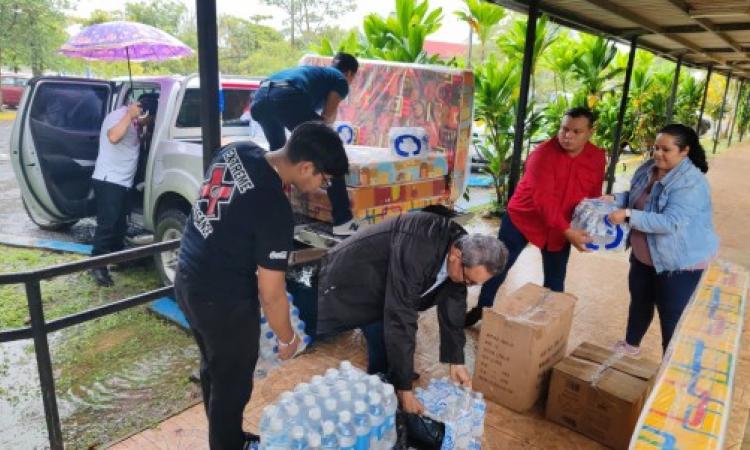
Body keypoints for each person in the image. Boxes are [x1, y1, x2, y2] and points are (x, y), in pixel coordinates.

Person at [175, 122, 349, 450]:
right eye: (323, 180)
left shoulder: (237, 150)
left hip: (187, 278)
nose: (320, 187)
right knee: (234, 388)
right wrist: (288, 338)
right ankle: (226, 442)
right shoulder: (273, 207)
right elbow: (271, 294)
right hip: (222, 302)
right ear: (306, 166)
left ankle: (230, 438)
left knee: (215, 367)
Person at [316, 210, 508, 414]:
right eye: (469, 280)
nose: (468, 286)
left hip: (388, 282)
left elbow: (454, 307)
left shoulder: (462, 247)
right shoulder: (419, 249)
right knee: (382, 335)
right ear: (456, 256)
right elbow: (401, 316)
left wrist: (456, 361)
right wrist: (405, 389)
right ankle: (379, 395)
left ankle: (395, 376)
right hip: (358, 279)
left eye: (475, 284)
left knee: (393, 342)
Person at [465, 107, 606, 327]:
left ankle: (546, 329)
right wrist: (569, 232)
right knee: (499, 267)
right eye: (564, 129)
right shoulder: (541, 155)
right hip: (523, 219)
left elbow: (593, 195)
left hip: (558, 227)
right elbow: (544, 202)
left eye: (576, 132)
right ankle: (481, 308)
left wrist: (592, 222)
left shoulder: (597, 157)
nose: (567, 136)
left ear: (590, 132)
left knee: (555, 281)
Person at [607, 124, 718, 356]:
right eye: (656, 148)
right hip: (643, 257)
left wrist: (627, 215)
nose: (658, 154)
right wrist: (615, 199)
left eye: (666, 150)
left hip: (677, 263)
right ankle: (630, 346)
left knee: (671, 315)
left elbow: (670, 222)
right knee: (639, 302)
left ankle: (670, 364)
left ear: (684, 151)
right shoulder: (649, 168)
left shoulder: (691, 183)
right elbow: (636, 198)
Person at [250, 52, 359, 236]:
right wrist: (329, 144)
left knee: (279, 157)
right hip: (285, 94)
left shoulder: (318, 73)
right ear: (350, 74)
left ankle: (274, 216)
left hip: (260, 97)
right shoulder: (340, 79)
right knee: (329, 152)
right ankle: (343, 221)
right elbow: (326, 118)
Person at [89, 94, 158, 287]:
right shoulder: (118, 116)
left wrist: (143, 123)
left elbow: (132, 139)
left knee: (120, 225)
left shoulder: (136, 120)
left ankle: (118, 258)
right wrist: (129, 115)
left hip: (123, 182)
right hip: (109, 180)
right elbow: (113, 136)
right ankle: (97, 265)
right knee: (107, 225)